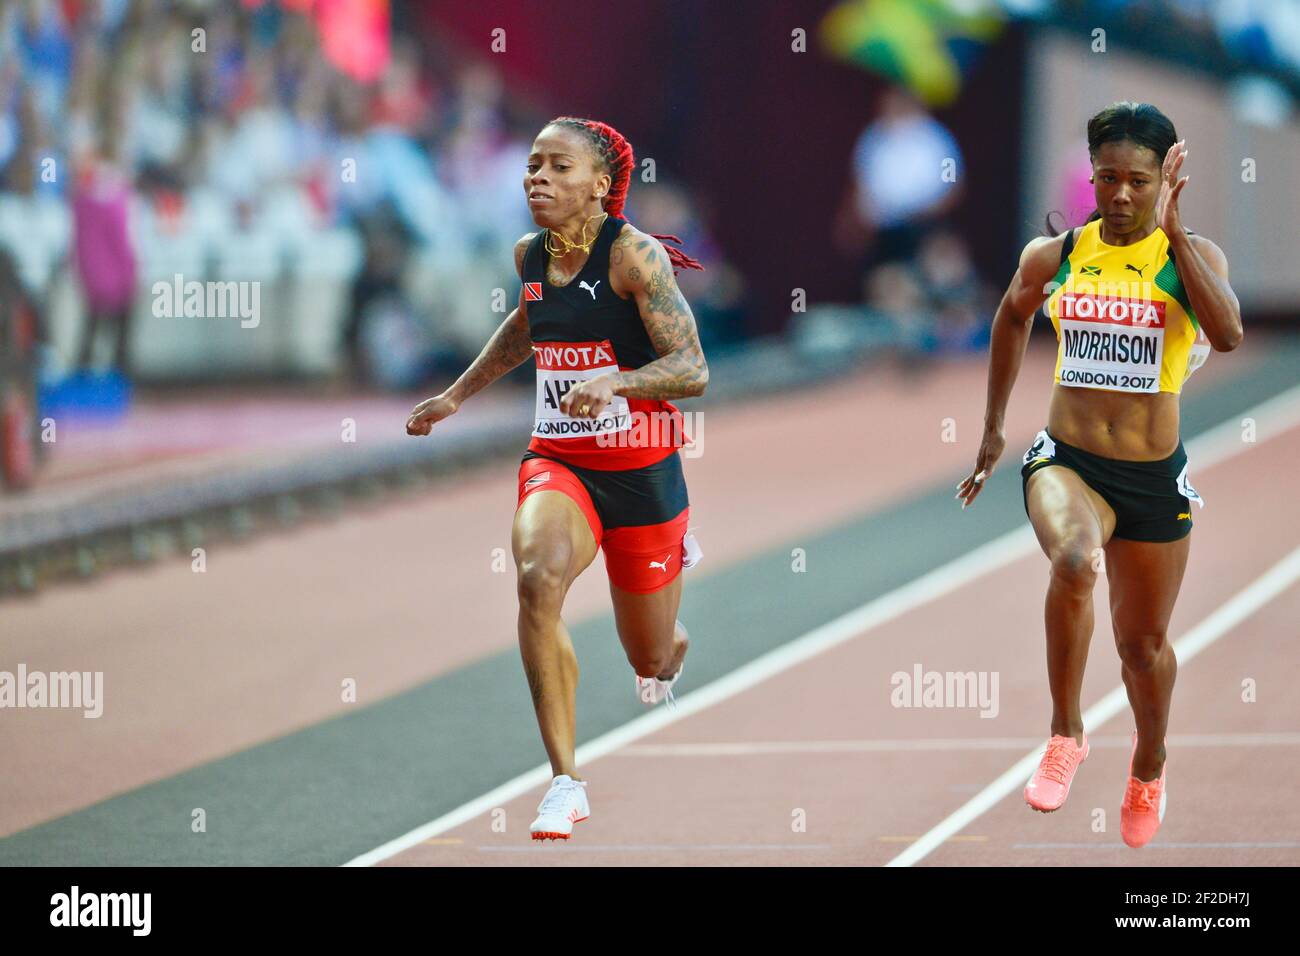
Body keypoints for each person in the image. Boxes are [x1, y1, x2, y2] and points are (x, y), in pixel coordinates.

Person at [406, 116, 708, 841]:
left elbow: (694, 370)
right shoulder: (529, 255)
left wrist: (619, 381)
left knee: (653, 657)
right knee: (537, 578)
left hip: (642, 473)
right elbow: (525, 328)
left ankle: (670, 627)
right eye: (532, 164)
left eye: (557, 167)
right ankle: (565, 783)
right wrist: (456, 394)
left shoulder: (635, 260)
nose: (536, 177)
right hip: (560, 460)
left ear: (601, 186)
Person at [955, 102, 1243, 848]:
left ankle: (1149, 762)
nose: (1119, 196)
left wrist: (1173, 233)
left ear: (1164, 181)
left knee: (1142, 648)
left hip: (1151, 478)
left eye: (1138, 183)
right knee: (1075, 560)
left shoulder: (1191, 258)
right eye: (1107, 178)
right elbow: (1011, 316)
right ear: (1090, 175)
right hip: (1068, 459)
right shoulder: (1056, 256)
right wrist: (992, 426)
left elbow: (1230, 335)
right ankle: (1066, 733)